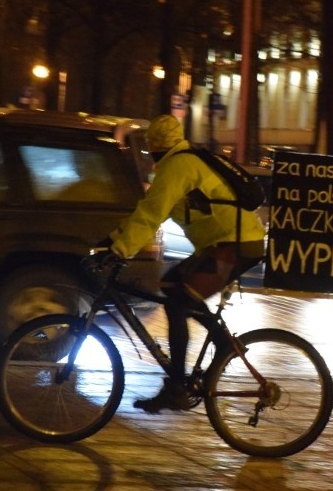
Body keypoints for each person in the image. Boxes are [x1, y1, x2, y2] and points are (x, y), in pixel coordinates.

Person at [96, 115, 266, 412]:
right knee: (173, 285)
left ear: (156, 147)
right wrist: (112, 241)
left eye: (150, 150)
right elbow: (146, 213)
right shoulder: (182, 161)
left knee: (178, 302)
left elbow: (151, 214)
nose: (150, 157)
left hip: (235, 245)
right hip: (225, 244)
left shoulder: (178, 167)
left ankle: (176, 388)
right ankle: (223, 344)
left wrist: (119, 251)